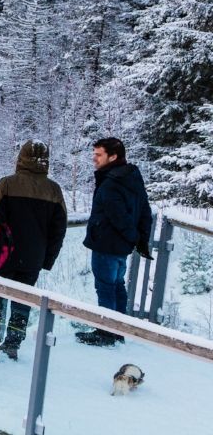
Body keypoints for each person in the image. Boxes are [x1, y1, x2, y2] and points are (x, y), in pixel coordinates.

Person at [0, 141, 67, 362]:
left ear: (21, 158)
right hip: (33, 258)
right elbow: (59, 229)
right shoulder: (54, 190)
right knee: (22, 300)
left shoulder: (7, 184)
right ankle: (12, 345)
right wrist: (46, 259)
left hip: (4, 254)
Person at [78, 137, 154, 346]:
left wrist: (134, 237)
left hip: (106, 244)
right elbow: (145, 211)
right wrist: (138, 239)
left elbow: (118, 216)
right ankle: (117, 330)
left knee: (105, 287)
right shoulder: (131, 176)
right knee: (117, 285)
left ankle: (106, 332)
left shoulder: (111, 182)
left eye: (98, 154)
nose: (94, 159)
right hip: (120, 246)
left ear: (113, 157)